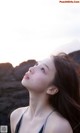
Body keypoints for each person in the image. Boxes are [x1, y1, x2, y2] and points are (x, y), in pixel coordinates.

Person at [10, 53, 80, 133]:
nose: (31, 68)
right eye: (36, 64)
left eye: (42, 69)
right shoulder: (16, 116)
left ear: (52, 89)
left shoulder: (58, 127)